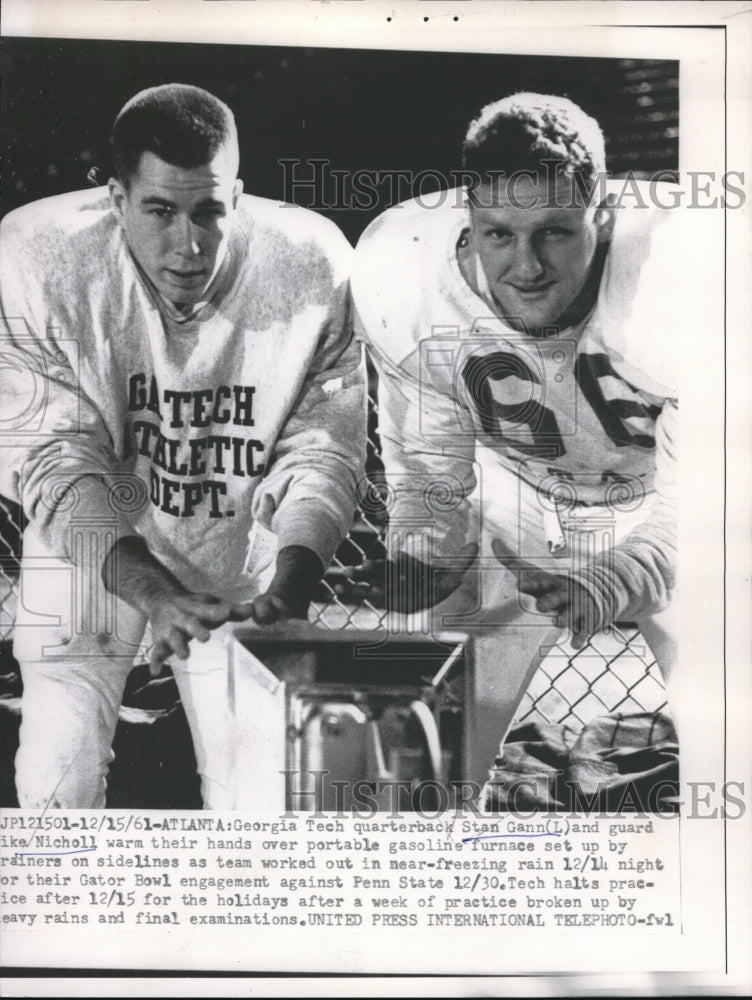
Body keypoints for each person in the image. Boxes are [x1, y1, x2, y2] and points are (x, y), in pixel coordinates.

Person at [0, 83, 366, 809]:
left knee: (262, 802)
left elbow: (324, 447)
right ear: (114, 196)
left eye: (209, 211)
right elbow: (52, 458)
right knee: (56, 780)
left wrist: (290, 587)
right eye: (160, 212)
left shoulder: (310, 261)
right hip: (92, 546)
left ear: (239, 193)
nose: (188, 245)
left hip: (239, 550)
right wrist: (156, 593)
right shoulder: (38, 257)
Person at [348, 93, 688, 787]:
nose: (526, 266)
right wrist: (422, 561)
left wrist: (609, 580)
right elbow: (427, 481)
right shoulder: (407, 268)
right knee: (426, 755)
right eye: (499, 233)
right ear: (468, 218)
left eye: (555, 232)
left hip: (660, 498)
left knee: (727, 725)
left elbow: (708, 513)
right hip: (518, 496)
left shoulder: (680, 269)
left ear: (602, 212)